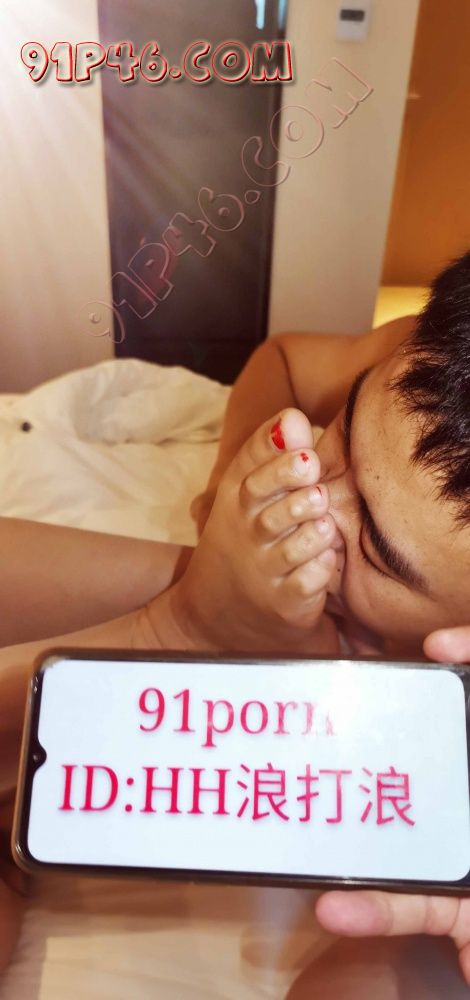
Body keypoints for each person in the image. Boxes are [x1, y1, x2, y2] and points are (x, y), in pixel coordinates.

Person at [0, 251, 469, 976]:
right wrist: (226, 488)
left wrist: (182, 632)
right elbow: (286, 360)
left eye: (376, 552)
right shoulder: (439, 369)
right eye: (342, 434)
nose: (310, 505)